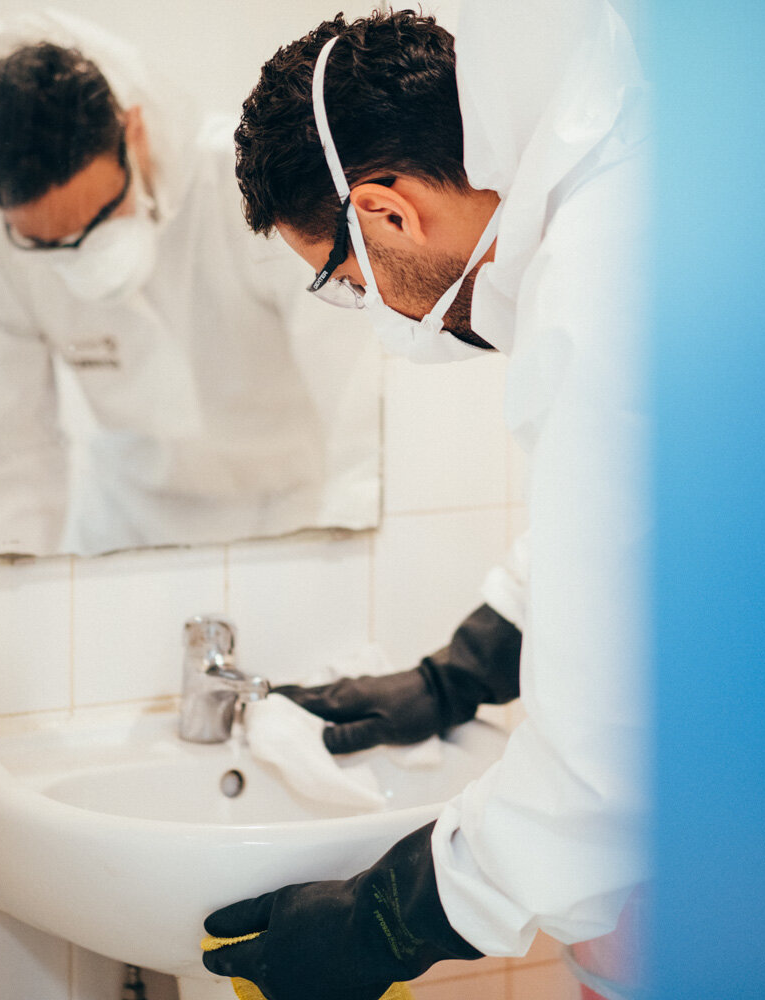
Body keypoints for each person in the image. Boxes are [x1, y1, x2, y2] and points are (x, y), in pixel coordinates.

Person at [202, 4, 649, 997]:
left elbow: (597, 763)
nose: (372, 308)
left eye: (343, 278)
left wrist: (391, 918)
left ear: (384, 211)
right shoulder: (621, 202)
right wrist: (462, 670)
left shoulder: (594, 281)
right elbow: (636, 531)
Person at [0, 11, 380, 557]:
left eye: (101, 217)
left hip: (288, 509)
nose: (82, 255)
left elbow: (359, 398)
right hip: (125, 521)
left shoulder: (244, 192)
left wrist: (353, 540)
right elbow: (6, 459)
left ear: (133, 133)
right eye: (49, 244)